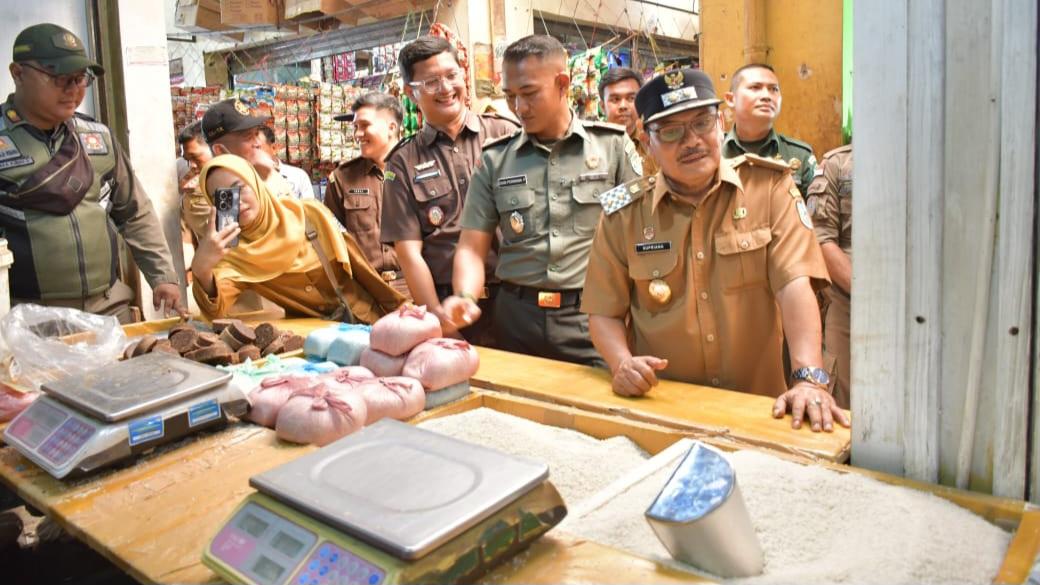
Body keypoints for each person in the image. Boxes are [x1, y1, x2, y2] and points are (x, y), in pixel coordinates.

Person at [580, 68, 849, 433]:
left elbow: (794, 285)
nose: (691, 141)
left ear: (720, 121)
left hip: (758, 411)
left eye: (702, 123)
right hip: (664, 408)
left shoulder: (769, 189)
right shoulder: (623, 215)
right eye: (671, 131)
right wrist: (621, 363)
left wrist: (808, 377)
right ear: (646, 139)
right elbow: (604, 311)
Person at [442, 35, 641, 367]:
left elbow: (634, 233)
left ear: (562, 83)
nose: (519, 108)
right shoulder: (496, 161)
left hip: (594, 318)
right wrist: (464, 296)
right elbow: (472, 246)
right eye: (510, 97)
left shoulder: (612, 150)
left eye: (529, 94)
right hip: (516, 318)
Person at [0, 23, 184, 323]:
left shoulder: (96, 138)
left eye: (81, 78)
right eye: (60, 78)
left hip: (108, 310)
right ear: (18, 73)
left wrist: (162, 275)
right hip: (30, 318)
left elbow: (133, 212)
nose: (73, 90)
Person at [380, 36, 518, 343]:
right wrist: (441, 323)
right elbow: (409, 253)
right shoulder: (402, 162)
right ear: (410, 92)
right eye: (431, 82)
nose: (445, 88)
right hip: (449, 307)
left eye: (452, 75)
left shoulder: (506, 135)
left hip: (517, 299)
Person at [190, 154, 404, 321]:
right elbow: (215, 310)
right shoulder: (235, 255)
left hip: (369, 322)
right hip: (314, 342)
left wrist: (401, 310)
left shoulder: (309, 215)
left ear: (255, 184)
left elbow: (361, 270)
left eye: (239, 188)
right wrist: (201, 267)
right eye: (223, 198)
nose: (237, 202)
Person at [324, 93, 409, 297]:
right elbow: (331, 241)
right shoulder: (342, 179)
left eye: (365, 125)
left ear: (391, 127)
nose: (358, 134)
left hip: (414, 289)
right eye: (355, 127)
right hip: (365, 293)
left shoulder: (418, 170)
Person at [722, 63, 816, 196]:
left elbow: (811, 214)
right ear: (731, 99)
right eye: (755, 87)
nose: (767, 96)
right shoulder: (713, 153)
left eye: (774, 89)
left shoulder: (800, 155)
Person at [806, 144, 853, 409]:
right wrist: (868, 295)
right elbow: (821, 239)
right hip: (848, 301)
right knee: (843, 399)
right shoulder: (837, 164)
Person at [201, 99, 296, 199]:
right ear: (220, 151)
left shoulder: (253, 175)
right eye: (248, 137)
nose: (258, 143)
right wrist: (268, 177)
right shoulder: (223, 188)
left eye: (256, 134)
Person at [599, 66, 655, 175]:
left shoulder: (654, 144)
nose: (623, 106)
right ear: (602, 107)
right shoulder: (591, 147)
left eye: (631, 98)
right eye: (615, 99)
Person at [177, 121, 214, 242]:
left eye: (195, 157)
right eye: (188, 159)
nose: (192, 166)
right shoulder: (194, 189)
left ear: (215, 148)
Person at [257, 124, 314, 200]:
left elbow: (309, 209)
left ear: (273, 148)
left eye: (257, 148)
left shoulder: (298, 176)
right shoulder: (248, 179)